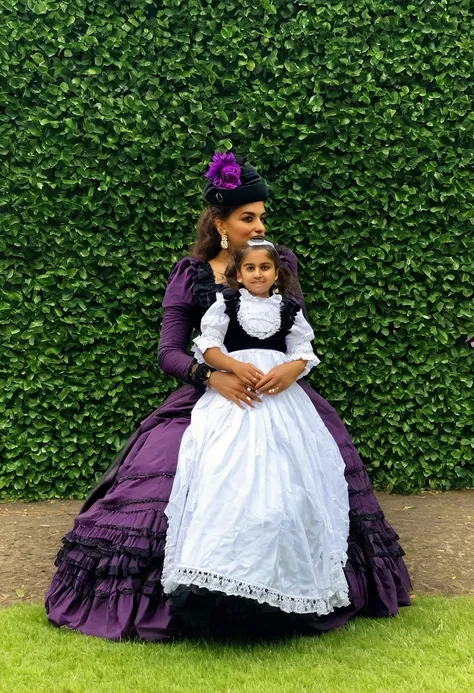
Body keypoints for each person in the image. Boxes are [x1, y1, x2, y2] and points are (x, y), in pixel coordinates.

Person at [45, 151, 411, 641]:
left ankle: (296, 591)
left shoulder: (277, 264)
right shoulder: (191, 274)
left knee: (310, 474)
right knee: (165, 474)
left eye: (262, 216)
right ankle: (193, 594)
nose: (259, 225)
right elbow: (168, 353)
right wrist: (209, 376)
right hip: (208, 393)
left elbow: (293, 333)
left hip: (278, 395)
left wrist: (291, 370)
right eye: (248, 218)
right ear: (220, 223)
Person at [162, 237, 351, 620]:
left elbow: (304, 351)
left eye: (265, 268)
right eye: (250, 268)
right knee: (227, 471)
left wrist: (289, 370)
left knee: (290, 478)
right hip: (236, 398)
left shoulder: (289, 309)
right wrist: (232, 367)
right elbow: (208, 348)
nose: (258, 274)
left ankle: (289, 585)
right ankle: (218, 580)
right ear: (239, 275)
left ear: (277, 274)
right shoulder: (226, 304)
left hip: (282, 401)